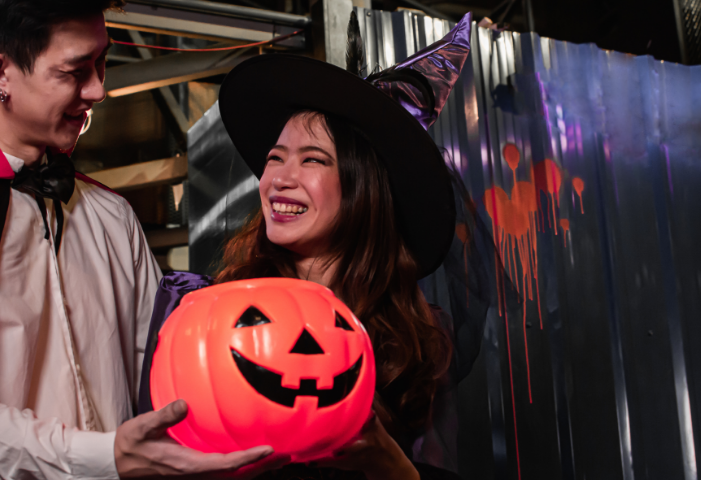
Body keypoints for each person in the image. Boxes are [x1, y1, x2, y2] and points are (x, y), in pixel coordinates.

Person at [0, 1, 285, 479]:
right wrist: (96, 456)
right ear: (0, 73)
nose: (99, 90)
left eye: (102, 62)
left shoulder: (112, 214)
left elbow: (162, 371)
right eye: (76, 70)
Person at [138, 12, 476, 480]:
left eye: (311, 160)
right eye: (274, 159)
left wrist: (392, 468)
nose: (278, 179)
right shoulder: (200, 312)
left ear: (362, 188)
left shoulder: (411, 339)